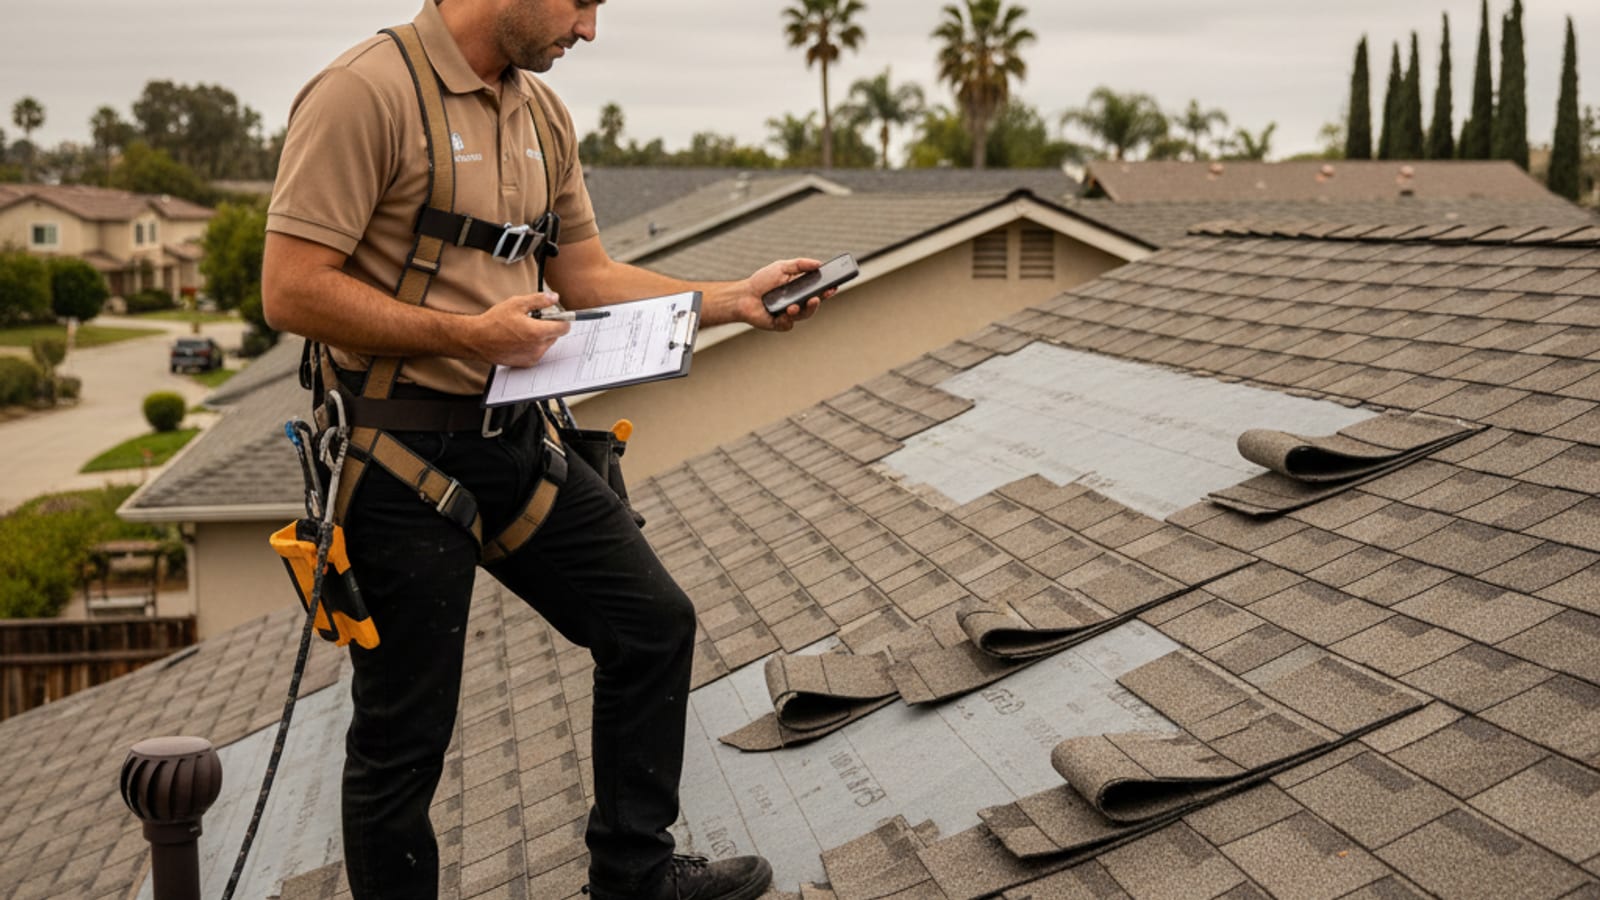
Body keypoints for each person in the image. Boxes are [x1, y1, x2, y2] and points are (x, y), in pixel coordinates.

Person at [261, 1, 827, 898]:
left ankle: (634, 875)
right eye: (582, 2)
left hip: (515, 440)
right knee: (404, 734)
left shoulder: (541, 112)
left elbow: (589, 278)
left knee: (651, 626)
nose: (590, 29)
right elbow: (291, 291)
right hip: (396, 455)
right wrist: (466, 334)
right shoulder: (363, 93)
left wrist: (734, 299)